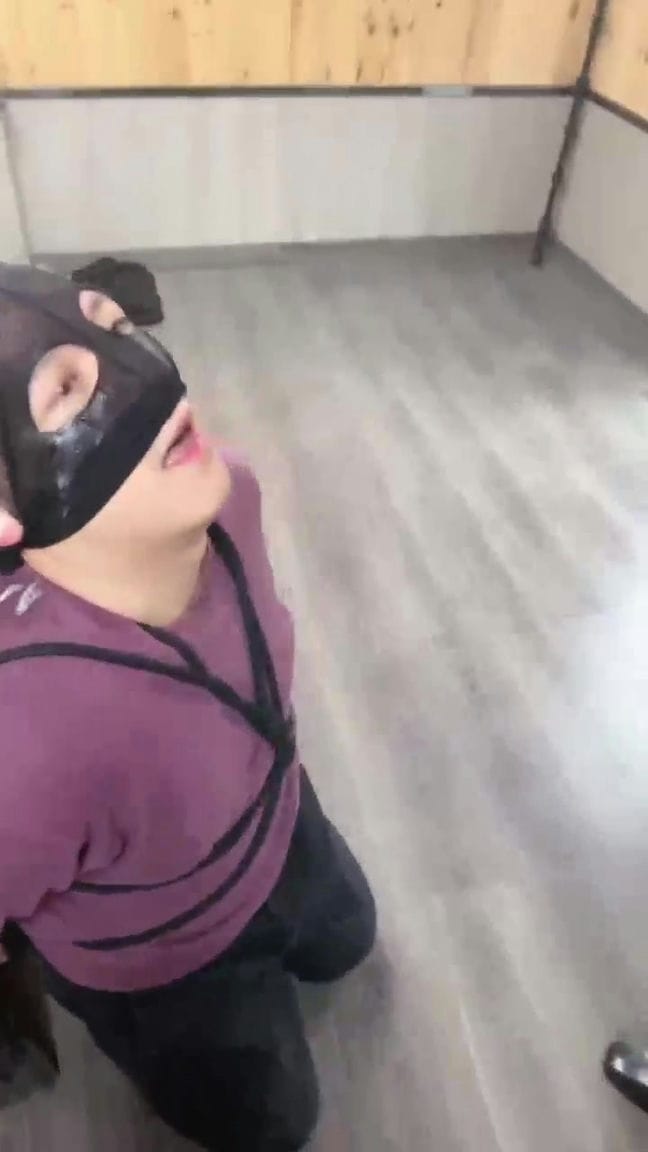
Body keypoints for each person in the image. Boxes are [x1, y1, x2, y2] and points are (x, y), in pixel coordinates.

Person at [0, 264, 376, 1150]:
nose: (150, 382)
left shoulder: (230, 491)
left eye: (116, 331)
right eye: (66, 393)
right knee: (273, 1124)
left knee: (348, 941)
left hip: (278, 820)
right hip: (164, 963)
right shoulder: (26, 739)